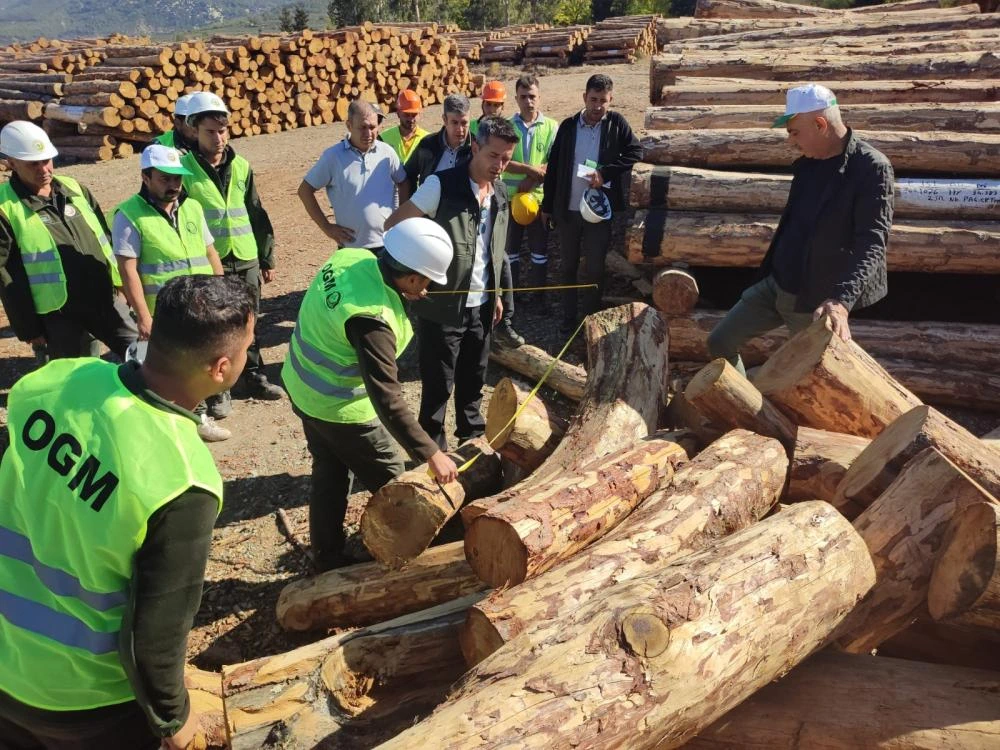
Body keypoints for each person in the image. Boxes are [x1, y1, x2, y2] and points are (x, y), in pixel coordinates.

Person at [0, 274, 255, 750]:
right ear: (221, 368)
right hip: (86, 700)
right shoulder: (183, 480)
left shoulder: (57, 379)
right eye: (246, 350)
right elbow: (153, 637)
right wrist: (173, 720)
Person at [282, 217, 459, 571]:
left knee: (330, 472)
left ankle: (327, 557)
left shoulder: (353, 258)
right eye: (425, 282)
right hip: (339, 407)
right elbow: (387, 397)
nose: (426, 289)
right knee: (399, 483)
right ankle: (431, 561)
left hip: (303, 385)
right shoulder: (373, 321)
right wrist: (430, 453)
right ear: (411, 277)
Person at [707, 84, 894, 375]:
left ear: (820, 124)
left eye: (795, 132)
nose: (791, 141)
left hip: (814, 300)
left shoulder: (871, 168)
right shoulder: (808, 164)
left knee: (811, 380)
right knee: (720, 342)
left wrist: (841, 301)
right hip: (777, 285)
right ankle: (740, 407)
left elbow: (872, 241)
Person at [386, 116, 519, 450]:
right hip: (442, 306)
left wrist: (498, 294)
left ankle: (471, 438)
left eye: (506, 158)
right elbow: (394, 226)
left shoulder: (500, 192)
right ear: (475, 147)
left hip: (483, 305)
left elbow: (496, 252)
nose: (499, 165)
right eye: (492, 156)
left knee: (474, 378)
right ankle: (430, 450)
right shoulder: (440, 186)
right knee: (437, 384)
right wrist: (407, 279)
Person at [112, 143, 230, 442]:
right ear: (146, 177)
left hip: (202, 303)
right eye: (165, 178)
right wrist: (142, 316)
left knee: (200, 361)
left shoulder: (192, 207)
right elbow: (128, 270)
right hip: (164, 310)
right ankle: (193, 420)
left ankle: (192, 417)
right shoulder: (129, 215)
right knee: (176, 368)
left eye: (177, 178)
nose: (173, 185)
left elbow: (210, 252)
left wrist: (222, 292)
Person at [181, 91, 284, 416]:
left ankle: (254, 377)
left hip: (246, 256)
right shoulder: (182, 170)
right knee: (215, 326)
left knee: (249, 321)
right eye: (211, 131)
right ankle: (218, 390)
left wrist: (266, 255)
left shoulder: (241, 166)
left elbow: (254, 210)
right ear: (194, 130)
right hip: (211, 261)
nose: (219, 137)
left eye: (223, 130)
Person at [0, 120, 137, 360]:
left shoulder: (75, 189)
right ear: (10, 162)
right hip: (58, 315)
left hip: (104, 298)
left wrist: (120, 283)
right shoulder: (5, 207)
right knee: (73, 379)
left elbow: (104, 238)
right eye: (33, 164)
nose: (44, 170)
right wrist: (28, 327)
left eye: (47, 161)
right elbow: (5, 275)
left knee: (143, 355)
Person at [540, 74, 642, 334]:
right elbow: (553, 168)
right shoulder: (568, 126)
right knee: (568, 266)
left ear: (611, 100)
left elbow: (636, 151)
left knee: (595, 267)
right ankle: (568, 318)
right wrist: (547, 205)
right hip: (569, 209)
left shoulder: (616, 124)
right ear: (584, 97)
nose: (598, 106)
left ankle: (591, 320)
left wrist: (605, 173)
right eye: (593, 99)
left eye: (603, 101)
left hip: (599, 211)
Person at [298, 100, 408, 255]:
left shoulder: (387, 153)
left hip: (387, 245)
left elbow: (403, 182)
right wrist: (326, 227)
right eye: (362, 127)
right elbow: (305, 191)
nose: (368, 134)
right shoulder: (333, 157)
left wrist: (400, 218)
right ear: (349, 126)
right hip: (351, 248)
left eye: (372, 127)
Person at [502, 75, 558, 310]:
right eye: (523, 97)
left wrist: (533, 182)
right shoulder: (506, 127)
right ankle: (512, 300)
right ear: (516, 99)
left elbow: (555, 161)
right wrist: (529, 171)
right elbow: (502, 159)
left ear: (539, 97)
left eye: (532, 96)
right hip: (510, 200)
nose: (528, 101)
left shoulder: (551, 127)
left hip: (538, 200)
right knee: (510, 251)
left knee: (539, 251)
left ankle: (537, 297)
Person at [403, 93, 473, 188]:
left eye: (464, 123)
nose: (460, 129)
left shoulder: (478, 149)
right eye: (455, 122)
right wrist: (414, 201)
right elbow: (407, 175)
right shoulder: (427, 145)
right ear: (445, 120)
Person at [379, 89, 428, 165]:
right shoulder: (384, 138)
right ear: (398, 113)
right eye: (407, 115)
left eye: (414, 115)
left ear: (420, 114)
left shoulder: (427, 138)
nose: (411, 119)